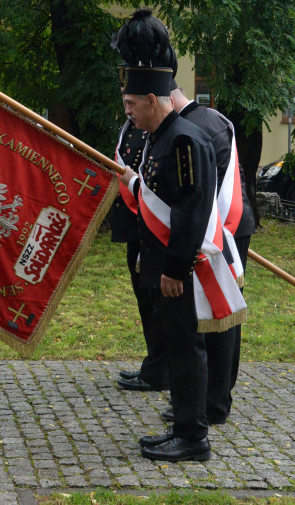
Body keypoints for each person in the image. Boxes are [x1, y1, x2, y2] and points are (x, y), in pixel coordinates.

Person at [114, 9, 219, 463]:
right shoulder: (158, 136)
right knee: (175, 347)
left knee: (186, 347)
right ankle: (181, 426)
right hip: (162, 266)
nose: (129, 113)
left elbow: (192, 211)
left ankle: (193, 437)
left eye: (133, 105)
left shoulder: (182, 141)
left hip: (181, 270)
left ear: (154, 100)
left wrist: (175, 268)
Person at [170, 84, 255, 424]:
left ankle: (215, 402)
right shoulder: (205, 119)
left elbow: (206, 187)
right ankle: (204, 399)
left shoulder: (198, 126)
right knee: (210, 316)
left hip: (223, 227)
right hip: (218, 225)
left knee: (221, 315)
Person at [112, 122, 169, 391]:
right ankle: (153, 364)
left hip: (151, 224)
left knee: (156, 302)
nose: (127, 109)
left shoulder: (160, 131)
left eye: (131, 100)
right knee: (144, 299)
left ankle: (161, 370)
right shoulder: (130, 127)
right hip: (134, 223)